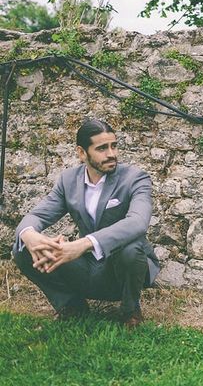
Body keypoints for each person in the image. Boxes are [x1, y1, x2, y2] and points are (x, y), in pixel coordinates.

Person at [13, 119, 159, 328]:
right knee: (22, 249)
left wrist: (81, 245)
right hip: (86, 267)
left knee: (132, 249)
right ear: (82, 153)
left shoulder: (135, 178)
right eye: (102, 148)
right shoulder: (68, 180)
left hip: (121, 269)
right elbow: (37, 215)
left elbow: (137, 222)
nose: (111, 154)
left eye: (113, 146)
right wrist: (29, 234)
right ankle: (72, 306)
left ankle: (130, 311)